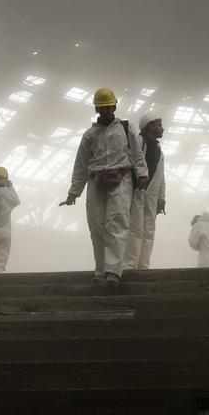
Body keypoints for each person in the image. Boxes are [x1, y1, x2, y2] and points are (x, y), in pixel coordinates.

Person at [63, 87, 148, 284]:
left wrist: (142, 173)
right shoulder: (89, 135)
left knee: (117, 223)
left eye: (109, 107)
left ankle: (113, 272)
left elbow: (137, 154)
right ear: (96, 110)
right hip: (96, 181)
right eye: (102, 108)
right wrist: (74, 192)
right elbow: (81, 165)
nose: (106, 111)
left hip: (122, 178)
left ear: (115, 106)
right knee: (97, 225)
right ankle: (100, 270)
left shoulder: (126, 128)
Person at [123, 112, 166, 270]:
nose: (162, 128)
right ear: (149, 126)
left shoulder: (160, 151)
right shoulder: (138, 142)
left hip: (152, 197)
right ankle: (129, 265)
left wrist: (162, 198)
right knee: (134, 229)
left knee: (149, 230)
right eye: (159, 124)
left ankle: (143, 265)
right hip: (136, 193)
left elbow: (162, 177)